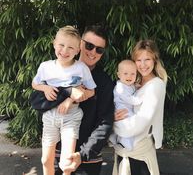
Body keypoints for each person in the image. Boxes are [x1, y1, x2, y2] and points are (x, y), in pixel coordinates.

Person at [31, 25, 96, 175]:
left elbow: (91, 91)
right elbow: (35, 83)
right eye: (61, 45)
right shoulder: (45, 67)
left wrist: (70, 99)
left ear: (78, 50)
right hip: (50, 115)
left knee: (66, 163)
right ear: (54, 44)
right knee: (45, 160)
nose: (65, 51)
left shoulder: (81, 68)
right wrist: (45, 88)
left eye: (71, 47)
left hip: (71, 116)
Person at [54, 24, 115, 175]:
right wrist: (68, 92)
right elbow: (38, 102)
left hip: (88, 158)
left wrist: (83, 154)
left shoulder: (104, 82)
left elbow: (105, 122)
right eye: (89, 45)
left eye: (99, 49)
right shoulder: (57, 69)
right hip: (59, 152)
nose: (93, 52)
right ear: (80, 43)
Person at [112, 39, 168, 175]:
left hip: (138, 153)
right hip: (124, 149)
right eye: (138, 60)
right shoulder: (134, 83)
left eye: (147, 59)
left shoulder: (156, 86)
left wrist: (111, 123)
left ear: (154, 60)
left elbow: (138, 125)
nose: (142, 65)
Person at [109, 59, 142, 151]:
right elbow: (126, 98)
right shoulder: (120, 87)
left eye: (133, 74)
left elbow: (131, 88)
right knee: (128, 124)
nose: (129, 76)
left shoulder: (128, 84)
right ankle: (124, 144)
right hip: (121, 108)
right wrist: (137, 100)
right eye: (126, 73)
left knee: (125, 125)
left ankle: (113, 138)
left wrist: (135, 86)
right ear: (119, 75)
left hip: (126, 107)